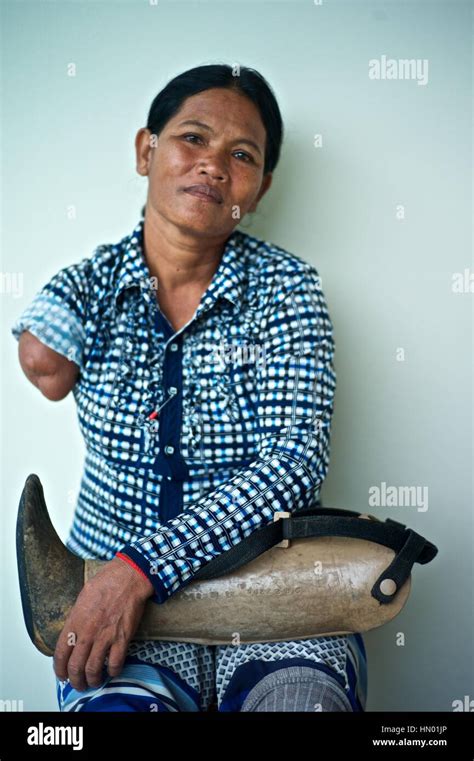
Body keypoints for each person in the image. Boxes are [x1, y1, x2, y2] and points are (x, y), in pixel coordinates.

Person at [11, 63, 367, 713]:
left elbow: (294, 463)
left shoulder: (288, 291)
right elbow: (47, 369)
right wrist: (52, 328)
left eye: (241, 154)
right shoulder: (91, 284)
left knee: (300, 701)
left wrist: (141, 567)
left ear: (259, 188)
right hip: (112, 609)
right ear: (147, 150)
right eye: (193, 138)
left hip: (272, 592)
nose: (213, 165)